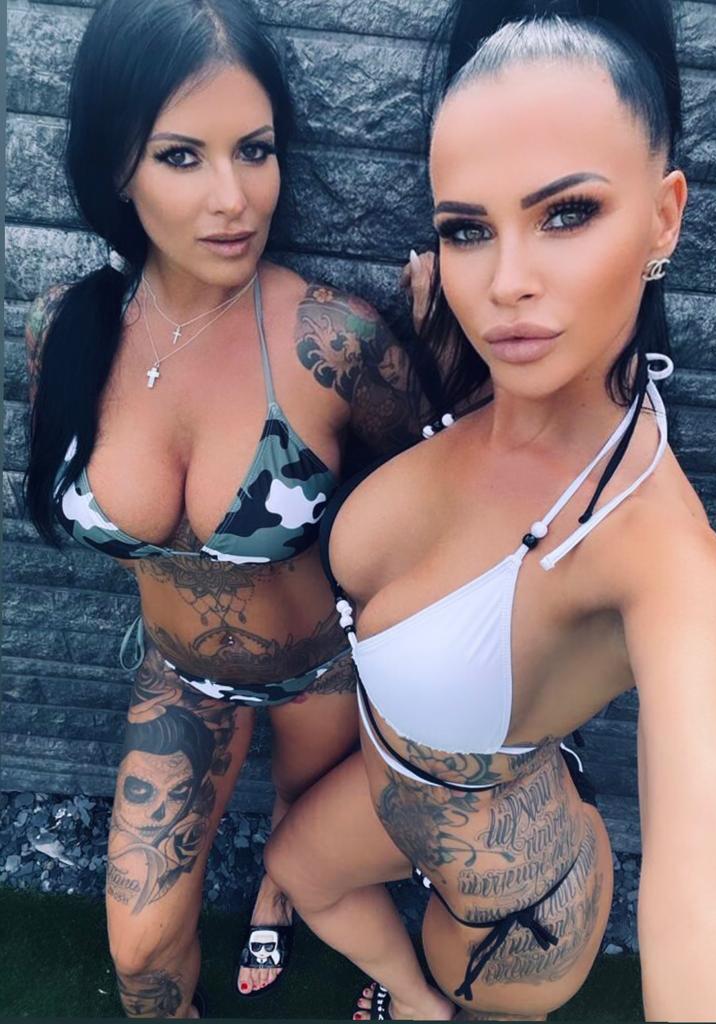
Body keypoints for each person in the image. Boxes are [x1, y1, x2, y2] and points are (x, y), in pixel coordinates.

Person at [262, 1, 716, 1021]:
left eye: (567, 214)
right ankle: (412, 1001)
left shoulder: (666, 567)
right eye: (467, 229)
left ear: (664, 217)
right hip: (395, 791)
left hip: (515, 914)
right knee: (298, 871)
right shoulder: (479, 364)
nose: (506, 283)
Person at [23, 0, 436, 1016]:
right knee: (140, 955)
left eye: (255, 150)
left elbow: (432, 491)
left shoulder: (334, 342)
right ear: (116, 166)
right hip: (180, 680)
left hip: (323, 671)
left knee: (303, 843)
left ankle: (276, 896)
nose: (233, 198)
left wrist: (446, 353)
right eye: (181, 156)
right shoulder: (66, 331)